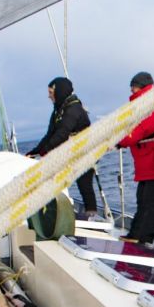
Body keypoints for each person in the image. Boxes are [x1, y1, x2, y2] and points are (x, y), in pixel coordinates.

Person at [26, 77, 97, 218]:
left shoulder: (73, 109)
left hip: (84, 152)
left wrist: (45, 151)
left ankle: (92, 214)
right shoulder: (58, 111)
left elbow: (62, 133)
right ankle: (51, 210)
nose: (49, 96)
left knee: (85, 184)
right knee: (55, 180)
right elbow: (50, 134)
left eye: (51, 92)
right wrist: (36, 150)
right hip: (69, 153)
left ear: (59, 91)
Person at [116, 71, 154, 244]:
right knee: (142, 201)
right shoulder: (143, 109)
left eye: (134, 88)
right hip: (146, 165)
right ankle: (135, 235)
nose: (132, 91)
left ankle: (145, 240)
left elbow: (138, 131)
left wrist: (118, 141)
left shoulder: (152, 109)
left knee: (152, 205)